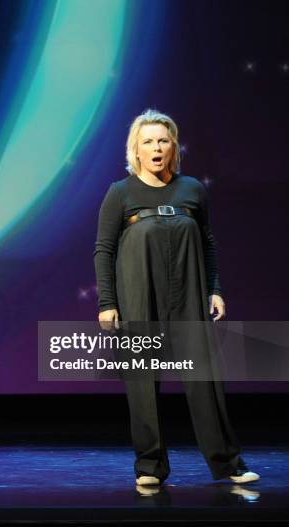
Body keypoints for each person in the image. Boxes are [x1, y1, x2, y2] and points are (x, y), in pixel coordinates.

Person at [93, 110, 259, 486]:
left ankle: (228, 465)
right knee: (142, 381)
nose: (156, 147)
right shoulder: (120, 193)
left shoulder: (193, 189)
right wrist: (107, 301)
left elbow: (208, 242)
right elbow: (103, 249)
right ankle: (150, 467)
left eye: (163, 141)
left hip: (188, 289)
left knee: (204, 379)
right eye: (148, 141)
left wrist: (214, 288)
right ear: (135, 149)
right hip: (137, 292)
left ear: (174, 148)